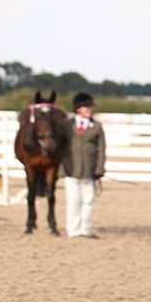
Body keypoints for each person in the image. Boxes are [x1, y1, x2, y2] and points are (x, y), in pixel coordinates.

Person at [60, 91, 106, 238]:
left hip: (89, 169)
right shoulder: (67, 125)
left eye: (90, 106)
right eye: (86, 107)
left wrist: (99, 167)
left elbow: (101, 148)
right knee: (73, 200)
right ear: (78, 109)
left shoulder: (97, 126)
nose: (89, 109)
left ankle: (85, 229)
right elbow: (60, 146)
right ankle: (72, 229)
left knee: (88, 200)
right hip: (71, 168)